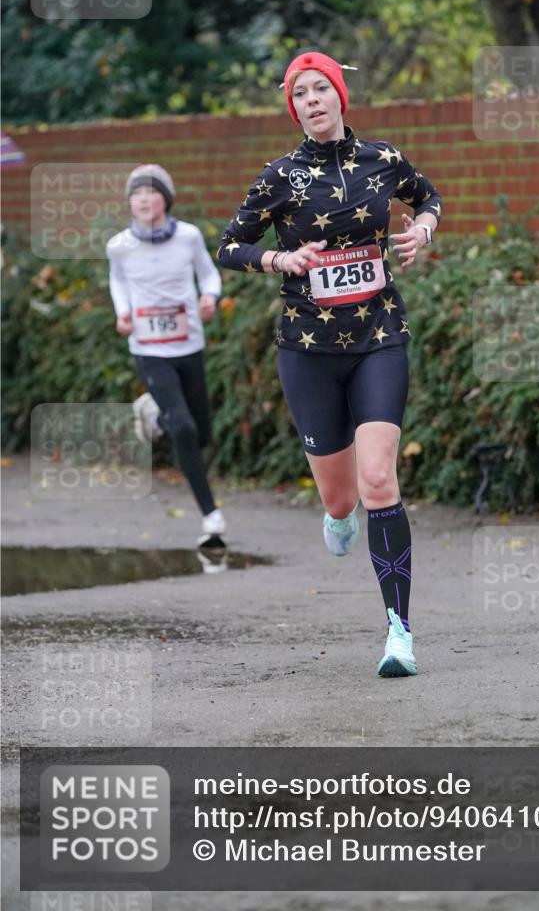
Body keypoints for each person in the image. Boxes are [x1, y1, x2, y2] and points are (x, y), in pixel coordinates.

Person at [218, 51, 443, 676]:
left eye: (322, 89)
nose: (313, 100)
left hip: (379, 336)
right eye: (301, 94)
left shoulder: (383, 160)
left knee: (378, 481)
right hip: (308, 351)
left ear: (341, 96)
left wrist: (422, 230)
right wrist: (276, 261)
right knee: (343, 500)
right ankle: (336, 515)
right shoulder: (280, 176)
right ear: (293, 109)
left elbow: (429, 198)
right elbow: (229, 245)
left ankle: (400, 633)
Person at [106, 164, 225, 547]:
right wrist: (122, 312)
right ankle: (211, 515)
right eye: (136, 193)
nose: (143, 199)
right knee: (184, 429)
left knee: (201, 432)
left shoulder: (188, 237)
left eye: (151, 192)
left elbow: (209, 275)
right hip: (148, 348)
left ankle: (153, 414)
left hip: (189, 343)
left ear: (166, 199)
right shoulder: (119, 245)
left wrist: (210, 297)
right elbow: (118, 281)